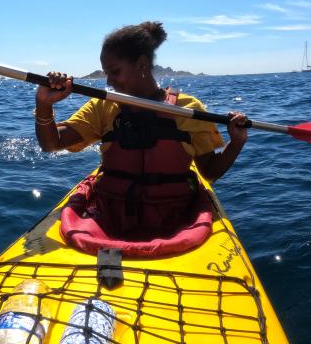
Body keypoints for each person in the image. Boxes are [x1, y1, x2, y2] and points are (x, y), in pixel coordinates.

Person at [34, 21, 248, 241]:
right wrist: (44, 104)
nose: (108, 81)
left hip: (176, 222)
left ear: (142, 65)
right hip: (110, 216)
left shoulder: (189, 109)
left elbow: (210, 172)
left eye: (115, 72)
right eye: (107, 73)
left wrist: (236, 143)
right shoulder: (103, 106)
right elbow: (52, 144)